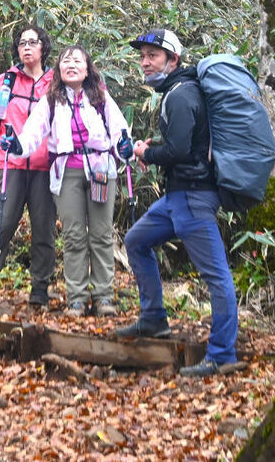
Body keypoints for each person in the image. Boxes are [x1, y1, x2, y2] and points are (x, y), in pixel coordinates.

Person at [116, 29, 238, 378]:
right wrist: (154, 148)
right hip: (177, 198)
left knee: (217, 277)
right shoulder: (177, 92)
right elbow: (186, 143)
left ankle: (222, 354)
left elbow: (179, 151)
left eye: (153, 55)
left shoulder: (181, 95)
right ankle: (154, 320)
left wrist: (146, 152)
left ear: (173, 60)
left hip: (193, 198)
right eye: (142, 56)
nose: (145, 62)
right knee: (136, 241)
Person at [2, 45, 130, 317]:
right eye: (65, 61)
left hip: (100, 170)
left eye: (77, 60)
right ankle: (77, 298)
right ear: (59, 69)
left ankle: (104, 297)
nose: (71, 64)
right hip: (66, 172)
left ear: (87, 68)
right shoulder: (50, 100)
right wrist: (15, 145)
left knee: (101, 235)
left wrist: (125, 148)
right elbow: (32, 135)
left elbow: (120, 132)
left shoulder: (101, 98)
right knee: (73, 236)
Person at [0, 24, 56, 309]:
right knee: (3, 225)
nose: (27, 47)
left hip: (45, 165)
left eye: (33, 42)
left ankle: (40, 289)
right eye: (22, 43)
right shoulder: (6, 82)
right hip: (10, 163)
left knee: (44, 229)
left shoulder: (55, 83)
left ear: (44, 47)